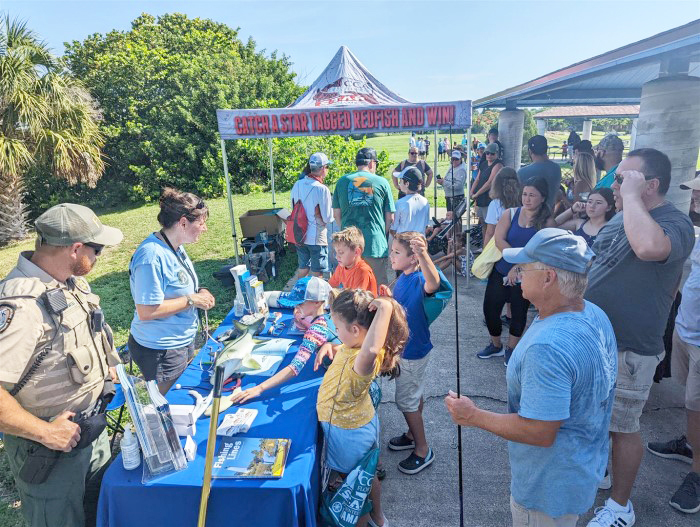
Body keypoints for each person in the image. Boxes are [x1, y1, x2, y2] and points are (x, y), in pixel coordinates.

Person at [446, 228, 617, 527]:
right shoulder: (594, 313)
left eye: (525, 267)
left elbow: (540, 431)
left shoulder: (547, 347)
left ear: (549, 277)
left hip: (546, 491)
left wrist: (472, 416)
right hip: (579, 472)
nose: (517, 272)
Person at [585, 148, 695, 527]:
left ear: (650, 185)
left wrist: (630, 198)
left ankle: (620, 507)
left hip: (630, 346)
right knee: (596, 416)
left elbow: (649, 248)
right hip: (595, 338)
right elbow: (596, 262)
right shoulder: (622, 218)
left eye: (622, 178)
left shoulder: (674, 223)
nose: (612, 185)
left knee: (623, 427)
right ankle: (599, 471)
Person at [0, 203, 124, 527]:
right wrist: (45, 432)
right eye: (97, 249)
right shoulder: (22, 305)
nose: (99, 257)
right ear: (76, 248)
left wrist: (106, 371)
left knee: (97, 513)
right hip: (50, 452)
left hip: (90, 431)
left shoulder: (68, 282)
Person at [317, 290, 409, 527]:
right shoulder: (355, 346)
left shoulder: (366, 358)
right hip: (356, 425)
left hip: (349, 433)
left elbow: (368, 350)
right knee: (366, 476)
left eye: (337, 328)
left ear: (356, 330)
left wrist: (386, 308)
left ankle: (368, 520)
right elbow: (352, 347)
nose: (335, 333)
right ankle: (379, 518)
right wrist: (330, 345)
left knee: (354, 491)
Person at [128, 188, 215, 395]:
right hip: (160, 350)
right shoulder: (151, 257)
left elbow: (177, 286)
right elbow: (147, 311)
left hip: (179, 342)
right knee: (173, 405)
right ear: (183, 223)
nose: (205, 229)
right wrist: (192, 299)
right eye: (201, 223)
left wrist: (200, 292)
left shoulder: (175, 246)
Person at [646, 230, 700, 515]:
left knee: (696, 405)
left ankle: (697, 474)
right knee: (691, 403)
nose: (694, 198)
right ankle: (691, 443)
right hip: (686, 332)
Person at [382, 232, 442, 475]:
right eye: (392, 250)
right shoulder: (403, 277)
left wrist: (423, 254)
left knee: (405, 401)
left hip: (413, 353)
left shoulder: (419, 278)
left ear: (413, 258)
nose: (391, 255)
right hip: (406, 350)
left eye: (397, 252)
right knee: (413, 395)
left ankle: (422, 449)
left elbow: (434, 283)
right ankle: (410, 434)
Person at [478, 177, 554, 365]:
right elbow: (499, 239)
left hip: (529, 274)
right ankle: (496, 345)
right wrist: (514, 264)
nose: (527, 199)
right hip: (502, 269)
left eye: (532, 195)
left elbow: (542, 251)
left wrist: (518, 267)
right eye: (525, 194)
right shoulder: (510, 214)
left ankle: (511, 349)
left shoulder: (547, 221)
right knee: (490, 310)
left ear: (542, 198)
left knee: (519, 313)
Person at [230, 277, 336, 404]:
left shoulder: (316, 330)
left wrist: (259, 388)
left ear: (318, 302)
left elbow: (295, 367)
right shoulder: (332, 314)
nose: (296, 307)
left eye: (300, 303)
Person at [333, 147, 395, 286]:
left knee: (352, 289)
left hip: (349, 246)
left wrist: (347, 234)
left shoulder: (342, 182)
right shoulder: (382, 182)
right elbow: (390, 217)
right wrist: (381, 234)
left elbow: (336, 214)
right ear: (372, 163)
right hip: (375, 244)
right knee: (377, 287)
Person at [290, 152, 334, 278]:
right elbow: (327, 218)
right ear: (322, 168)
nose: (327, 170)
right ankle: (315, 296)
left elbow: (293, 208)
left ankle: (299, 292)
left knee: (303, 267)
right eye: (327, 167)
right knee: (317, 271)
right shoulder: (322, 189)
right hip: (316, 237)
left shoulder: (297, 184)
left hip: (299, 234)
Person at [329, 226, 378, 295]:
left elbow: (356, 300)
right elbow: (329, 286)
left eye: (341, 253)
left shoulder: (363, 271)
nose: (337, 257)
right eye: (336, 252)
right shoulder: (341, 267)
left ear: (356, 252)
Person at [517, 135, 561, 210]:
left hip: (529, 216)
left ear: (530, 151)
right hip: (550, 215)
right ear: (546, 149)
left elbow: (519, 198)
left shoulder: (522, 172)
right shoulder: (556, 168)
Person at [484, 167, 521, 248]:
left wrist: (484, 251)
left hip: (500, 247)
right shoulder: (523, 201)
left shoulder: (495, 204)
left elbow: (490, 232)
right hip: (519, 245)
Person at [390, 167, 431, 238]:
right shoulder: (425, 202)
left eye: (401, 181)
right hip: (419, 242)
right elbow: (426, 225)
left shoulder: (400, 203)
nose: (399, 184)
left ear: (407, 184)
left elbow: (393, 228)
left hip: (404, 242)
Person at [471, 143, 504, 227]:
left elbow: (489, 183)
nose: (489, 155)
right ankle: (484, 240)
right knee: (482, 223)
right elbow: (477, 179)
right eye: (487, 153)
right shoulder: (484, 164)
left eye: (492, 153)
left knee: (490, 224)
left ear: (497, 154)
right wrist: (471, 192)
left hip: (489, 198)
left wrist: (476, 194)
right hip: (480, 198)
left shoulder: (498, 165)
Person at [436, 150, 469, 217]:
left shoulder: (461, 170)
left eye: (456, 159)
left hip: (456, 198)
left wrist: (444, 182)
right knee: (450, 219)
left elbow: (458, 186)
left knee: (455, 219)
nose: (454, 161)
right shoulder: (451, 167)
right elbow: (449, 181)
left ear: (460, 159)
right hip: (449, 197)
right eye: (452, 159)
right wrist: (442, 182)